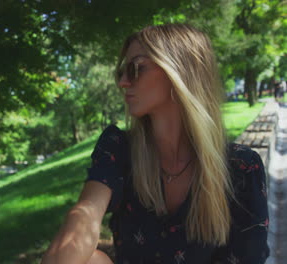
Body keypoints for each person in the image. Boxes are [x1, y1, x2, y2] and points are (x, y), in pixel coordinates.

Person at [41, 24, 269, 264]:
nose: (123, 82)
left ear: (179, 72)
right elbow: (84, 217)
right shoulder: (119, 148)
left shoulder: (241, 168)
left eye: (136, 68)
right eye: (121, 72)